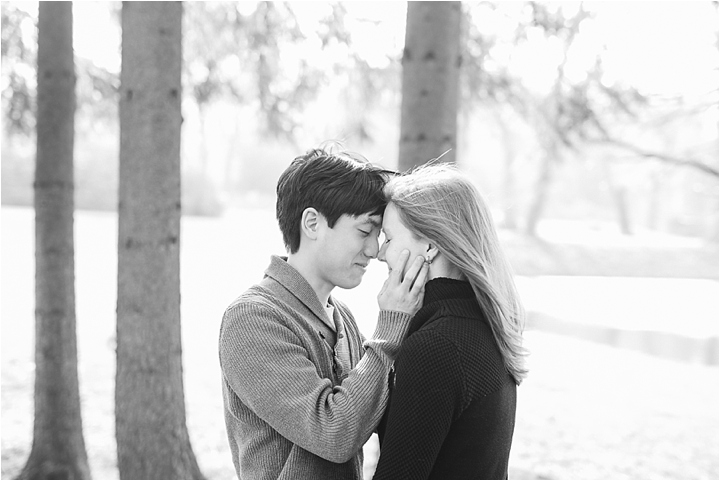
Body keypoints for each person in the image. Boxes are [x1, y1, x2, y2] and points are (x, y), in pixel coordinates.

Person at [219, 147, 429, 480]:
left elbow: (379, 414)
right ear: (313, 223)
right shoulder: (252, 319)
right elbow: (334, 434)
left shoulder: (341, 316)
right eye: (364, 231)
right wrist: (391, 328)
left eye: (379, 235)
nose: (374, 250)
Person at [372, 163, 528, 480]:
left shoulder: (437, 347)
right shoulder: (485, 323)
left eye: (388, 238)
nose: (379, 254)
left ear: (430, 245)